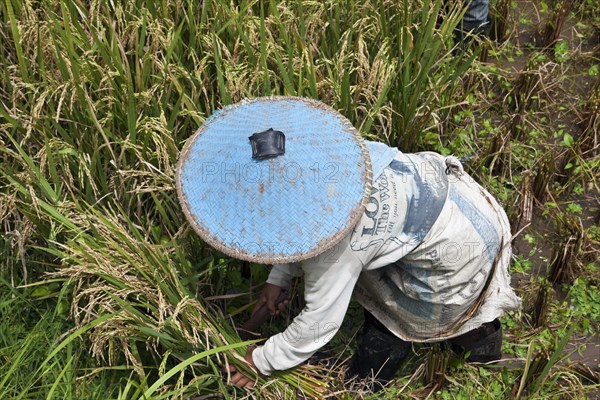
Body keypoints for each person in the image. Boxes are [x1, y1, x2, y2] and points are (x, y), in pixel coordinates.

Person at [176, 97, 521, 389]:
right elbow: (289, 221)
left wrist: (260, 360)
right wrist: (277, 281)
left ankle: (462, 362)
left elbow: (319, 324)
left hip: (459, 251)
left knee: (393, 329)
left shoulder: (335, 249)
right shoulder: (333, 154)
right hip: (457, 199)